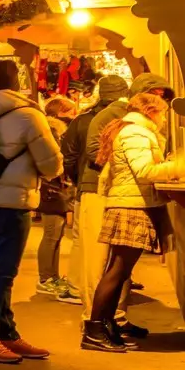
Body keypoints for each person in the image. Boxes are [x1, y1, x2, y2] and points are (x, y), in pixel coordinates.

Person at [0, 57, 63, 364]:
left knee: (1, 269)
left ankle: (8, 332)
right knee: (3, 272)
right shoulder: (28, 115)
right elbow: (51, 163)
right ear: (17, 81)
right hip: (12, 201)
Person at [84, 90, 185, 352]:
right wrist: (179, 166)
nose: (164, 118)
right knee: (117, 271)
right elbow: (144, 171)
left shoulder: (132, 131)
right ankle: (94, 330)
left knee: (119, 272)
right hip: (131, 207)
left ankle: (105, 325)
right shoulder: (137, 133)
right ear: (152, 112)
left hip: (131, 204)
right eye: (162, 113)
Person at [74, 72, 169, 315]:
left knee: (119, 267)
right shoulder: (126, 124)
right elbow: (96, 152)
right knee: (103, 263)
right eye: (156, 95)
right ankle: (94, 321)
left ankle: (115, 319)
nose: (161, 102)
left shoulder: (137, 125)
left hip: (124, 193)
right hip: (107, 192)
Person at [63, 74, 129, 313]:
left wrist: (76, 180)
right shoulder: (119, 118)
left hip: (87, 188)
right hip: (103, 188)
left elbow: (68, 156)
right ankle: (99, 315)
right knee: (111, 253)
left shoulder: (82, 120)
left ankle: (83, 296)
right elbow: (89, 153)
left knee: (87, 248)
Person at [36, 96, 78, 302]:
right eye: (69, 112)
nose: (73, 116)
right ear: (57, 113)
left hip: (58, 190)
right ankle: (45, 278)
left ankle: (52, 275)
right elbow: (52, 160)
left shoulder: (58, 132)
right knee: (51, 235)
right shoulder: (52, 132)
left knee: (57, 235)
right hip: (51, 190)